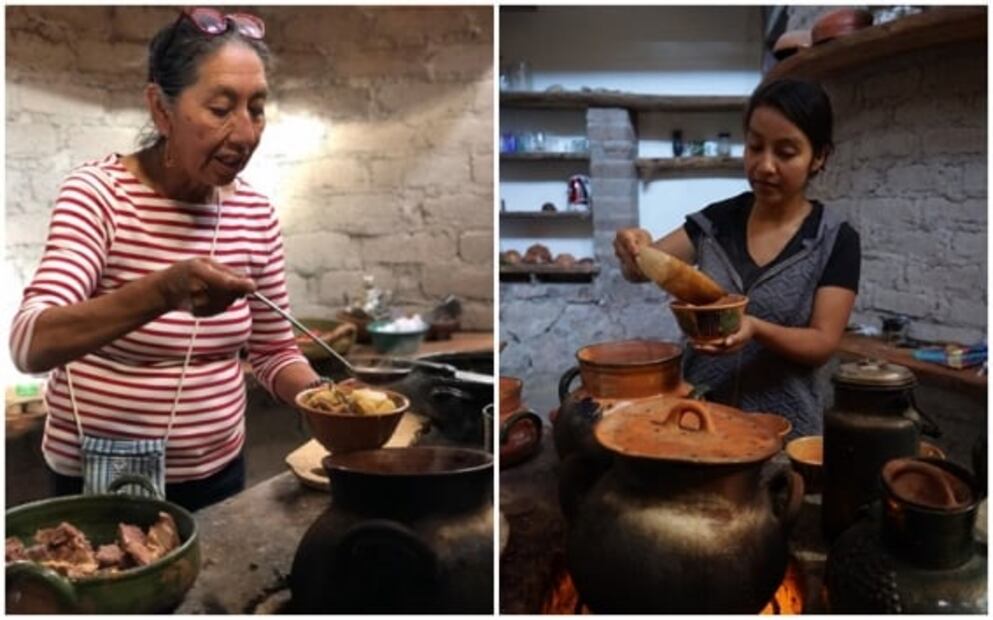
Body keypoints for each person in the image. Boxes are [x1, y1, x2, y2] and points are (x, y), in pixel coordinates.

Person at [8, 8, 322, 511]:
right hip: (97, 482)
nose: (245, 135)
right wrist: (165, 290)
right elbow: (31, 342)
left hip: (218, 476)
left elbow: (273, 351)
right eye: (221, 109)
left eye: (257, 108)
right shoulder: (100, 196)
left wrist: (328, 399)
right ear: (161, 109)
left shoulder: (255, 213)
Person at [614, 78, 860, 437]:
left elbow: (822, 342)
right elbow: (641, 270)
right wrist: (632, 246)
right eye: (755, 146)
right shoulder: (717, 222)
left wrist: (756, 328)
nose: (765, 165)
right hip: (698, 419)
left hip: (783, 432)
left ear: (819, 157)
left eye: (786, 152)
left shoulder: (835, 239)